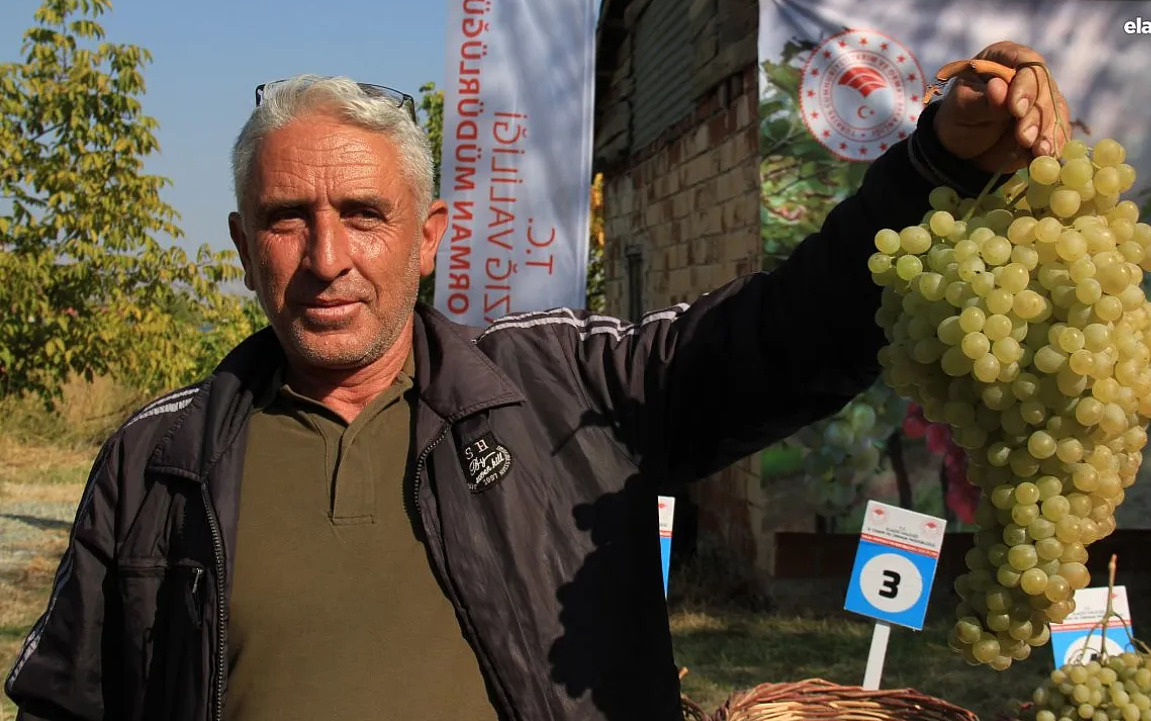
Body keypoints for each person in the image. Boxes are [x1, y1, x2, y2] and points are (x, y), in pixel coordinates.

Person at [5, 41, 1070, 721]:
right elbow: (71, 700)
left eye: (363, 216)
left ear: (427, 238)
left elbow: (784, 333)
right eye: (288, 219)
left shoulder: (564, 388)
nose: (326, 257)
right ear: (244, 244)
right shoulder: (157, 457)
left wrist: (935, 166)